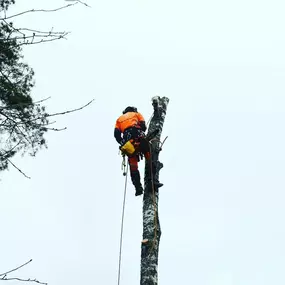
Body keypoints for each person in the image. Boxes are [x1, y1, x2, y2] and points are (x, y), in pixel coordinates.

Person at [114, 106, 150, 196]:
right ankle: (151, 180)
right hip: (138, 136)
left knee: (133, 166)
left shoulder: (119, 119)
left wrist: (122, 142)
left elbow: (116, 134)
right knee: (149, 155)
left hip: (128, 142)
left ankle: (138, 187)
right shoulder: (136, 114)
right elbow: (143, 126)